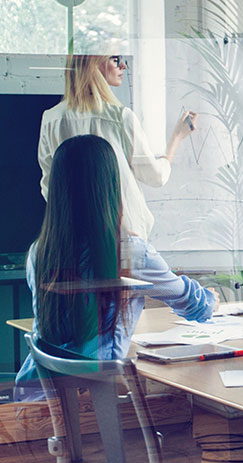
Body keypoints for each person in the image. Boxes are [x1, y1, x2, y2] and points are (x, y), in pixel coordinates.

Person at [15, 135, 219, 402]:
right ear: (111, 186)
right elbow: (196, 305)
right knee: (190, 409)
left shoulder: (39, 253)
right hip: (92, 408)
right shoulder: (129, 252)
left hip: (33, 400)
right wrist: (212, 298)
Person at [38, 54, 197, 240]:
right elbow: (155, 176)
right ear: (93, 66)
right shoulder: (120, 117)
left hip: (73, 236)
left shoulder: (51, 119)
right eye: (115, 59)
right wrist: (177, 137)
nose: (123, 66)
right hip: (122, 234)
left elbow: (49, 186)